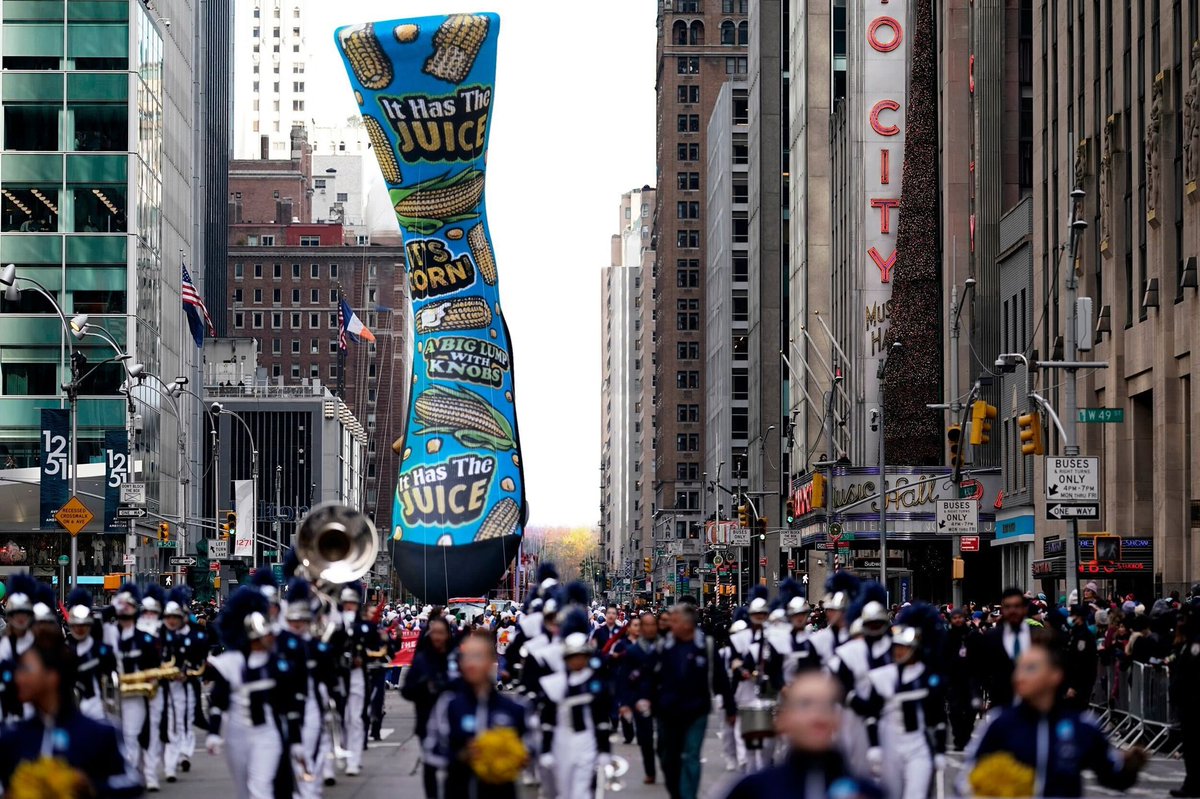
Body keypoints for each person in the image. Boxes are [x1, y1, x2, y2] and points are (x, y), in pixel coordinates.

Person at [961, 637, 1147, 797]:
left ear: (1055, 675)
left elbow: (1112, 774)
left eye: (1031, 668)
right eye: (1020, 668)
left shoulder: (1081, 726)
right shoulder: (1000, 723)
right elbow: (966, 779)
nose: (1020, 676)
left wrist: (1131, 766)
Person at [0, 629, 143, 797]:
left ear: (52, 677)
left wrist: (88, 785)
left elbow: (133, 782)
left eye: (26, 669)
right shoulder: (12, 738)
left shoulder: (98, 734)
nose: (18, 677)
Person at [718, 671, 882, 799]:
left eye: (827, 706)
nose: (817, 716)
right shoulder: (753, 791)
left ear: (837, 720)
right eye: (805, 705)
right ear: (783, 719)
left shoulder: (867, 793)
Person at [205, 587, 301, 799]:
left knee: (261, 788)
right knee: (244, 791)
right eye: (264, 634)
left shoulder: (276, 664)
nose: (270, 638)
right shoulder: (230, 663)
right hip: (236, 735)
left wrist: (296, 741)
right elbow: (218, 701)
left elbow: (289, 705)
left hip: (266, 734)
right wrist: (213, 732)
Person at [424, 630, 533, 799]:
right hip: (458, 790)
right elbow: (431, 752)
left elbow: (533, 748)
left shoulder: (516, 708)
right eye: (466, 657)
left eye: (478, 657)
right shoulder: (449, 705)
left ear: (492, 661)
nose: (471, 664)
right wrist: (461, 755)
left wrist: (516, 755)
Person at [851, 609, 946, 799]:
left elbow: (938, 717)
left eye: (904, 647)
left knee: (916, 795)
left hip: (917, 745)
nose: (899, 651)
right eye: (896, 647)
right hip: (889, 743)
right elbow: (872, 714)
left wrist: (940, 751)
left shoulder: (928, 677)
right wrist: (874, 746)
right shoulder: (882, 676)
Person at [649, 603, 730, 799]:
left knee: (691, 756)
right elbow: (651, 678)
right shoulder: (663, 647)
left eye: (675, 621)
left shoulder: (706, 647)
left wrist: (730, 707)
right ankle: (677, 792)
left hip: (696, 712)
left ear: (687, 625)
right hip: (669, 713)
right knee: (670, 758)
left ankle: (688, 796)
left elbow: (721, 679)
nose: (671, 625)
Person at [537, 623, 613, 799]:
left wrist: (604, 749)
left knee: (582, 791)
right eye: (573, 657)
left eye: (581, 656)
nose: (577, 661)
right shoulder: (555, 684)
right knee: (563, 791)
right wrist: (546, 749)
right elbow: (547, 719)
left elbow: (601, 718)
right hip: (560, 740)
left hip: (585, 740)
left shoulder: (595, 683)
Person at [402, 615, 455, 799]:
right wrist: (422, 687)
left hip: (453, 723)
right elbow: (406, 691)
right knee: (430, 767)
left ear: (448, 635)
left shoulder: (456, 659)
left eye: (442, 633)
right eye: (434, 633)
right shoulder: (421, 661)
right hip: (427, 722)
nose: (438, 637)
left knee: (454, 769)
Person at [615, 610, 660, 784]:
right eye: (646, 625)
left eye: (652, 625)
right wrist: (625, 703)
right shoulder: (633, 651)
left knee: (665, 739)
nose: (649, 628)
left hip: (662, 699)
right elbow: (624, 678)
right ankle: (650, 771)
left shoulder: (664, 647)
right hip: (640, 700)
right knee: (645, 738)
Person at [971, 587, 1030, 711]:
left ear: (1025, 608)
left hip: (1032, 705)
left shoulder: (1037, 637)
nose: (1013, 610)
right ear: (1003, 610)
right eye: (1008, 607)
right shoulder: (991, 638)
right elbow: (978, 669)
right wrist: (976, 696)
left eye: (1017, 606)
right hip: (1001, 705)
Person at [65, 588, 116, 722]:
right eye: (76, 626)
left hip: (98, 710)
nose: (79, 629)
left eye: (83, 625)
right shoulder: (65, 651)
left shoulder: (102, 650)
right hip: (72, 712)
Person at [1171, 600, 1200, 797]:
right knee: (1190, 748)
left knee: (1195, 747)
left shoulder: (1196, 644)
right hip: (1186, 704)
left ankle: (1193, 784)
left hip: (1194, 705)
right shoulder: (1186, 642)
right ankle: (1191, 783)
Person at [944, 607, 979, 750]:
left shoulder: (972, 635)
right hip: (953, 680)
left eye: (960, 617)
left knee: (971, 711)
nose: (958, 620)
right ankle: (958, 738)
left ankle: (967, 734)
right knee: (955, 711)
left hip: (971, 679)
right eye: (955, 618)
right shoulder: (947, 637)